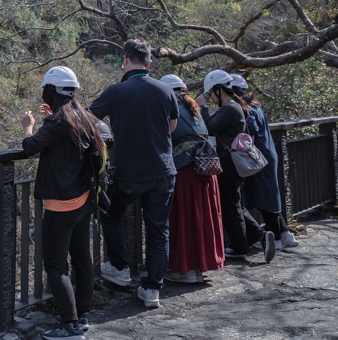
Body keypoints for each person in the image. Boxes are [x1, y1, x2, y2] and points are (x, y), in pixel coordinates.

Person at [90, 39, 177, 309]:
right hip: (163, 171)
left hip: (130, 172)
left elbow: (87, 119)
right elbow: (172, 127)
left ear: (125, 60)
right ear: (149, 63)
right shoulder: (165, 90)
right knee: (158, 230)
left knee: (110, 212)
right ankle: (152, 290)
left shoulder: (116, 91)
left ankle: (120, 267)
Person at [21, 66, 102, 338]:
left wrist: (28, 127)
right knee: (82, 259)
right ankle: (82, 314)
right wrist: (50, 118)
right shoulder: (84, 117)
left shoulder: (58, 123)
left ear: (52, 90)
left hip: (61, 204)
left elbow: (30, 147)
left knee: (55, 265)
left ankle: (69, 325)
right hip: (84, 199)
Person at [199, 69, 275, 264]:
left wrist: (203, 107)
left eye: (210, 93)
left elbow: (209, 127)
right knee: (235, 204)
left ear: (219, 90)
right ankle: (259, 236)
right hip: (232, 162)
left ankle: (241, 246)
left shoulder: (230, 109)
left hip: (228, 164)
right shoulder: (233, 107)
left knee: (230, 206)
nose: (209, 97)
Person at [160, 74, 225, 284]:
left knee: (184, 219)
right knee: (201, 219)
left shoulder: (170, 111)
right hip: (205, 174)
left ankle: (184, 270)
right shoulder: (193, 109)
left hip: (185, 173)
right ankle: (197, 268)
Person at [231, 74, 298, 250]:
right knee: (269, 196)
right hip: (266, 154)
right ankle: (285, 234)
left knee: (265, 199)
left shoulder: (247, 110)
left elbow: (249, 128)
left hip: (256, 158)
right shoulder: (255, 106)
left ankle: (275, 240)